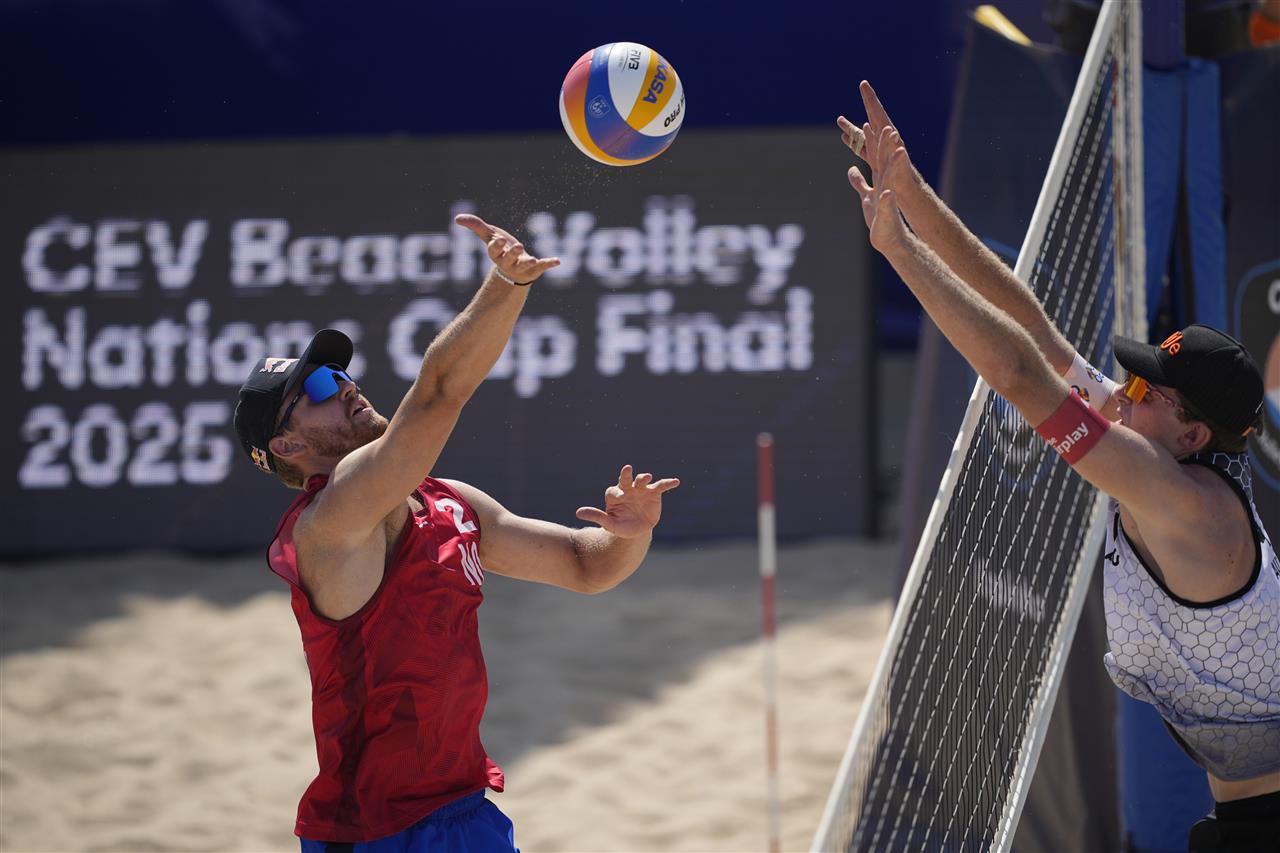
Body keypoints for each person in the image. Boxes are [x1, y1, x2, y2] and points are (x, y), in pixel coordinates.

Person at [838, 81, 1278, 851]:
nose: (1121, 393)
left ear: (1191, 433)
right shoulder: (1168, 453)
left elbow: (1018, 377)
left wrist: (901, 254)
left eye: (1143, 390)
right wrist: (911, 192)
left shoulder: (1184, 505)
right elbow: (1034, 329)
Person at [232, 213, 680, 852]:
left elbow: (587, 567)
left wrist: (631, 534)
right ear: (289, 444)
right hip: (373, 831)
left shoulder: (448, 504)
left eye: (339, 372)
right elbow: (439, 391)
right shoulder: (327, 524)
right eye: (320, 387)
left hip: (466, 810)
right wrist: (504, 283)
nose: (347, 386)